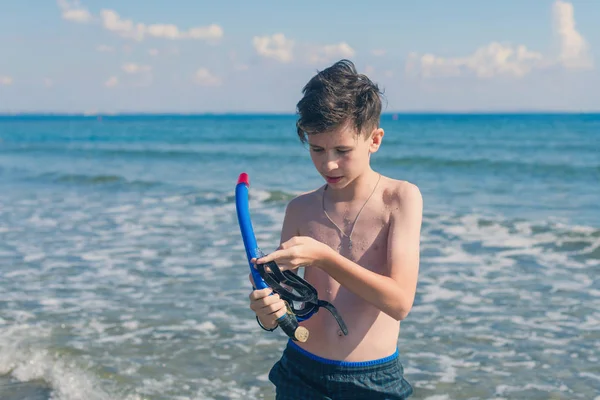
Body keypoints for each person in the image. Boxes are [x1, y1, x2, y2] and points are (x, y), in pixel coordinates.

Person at [248, 59, 422, 399]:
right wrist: (267, 313)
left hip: (373, 380)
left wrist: (326, 258)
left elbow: (400, 303)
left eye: (343, 150)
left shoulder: (399, 199)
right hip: (301, 371)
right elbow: (281, 305)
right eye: (317, 149)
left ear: (374, 140)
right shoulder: (300, 208)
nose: (328, 163)